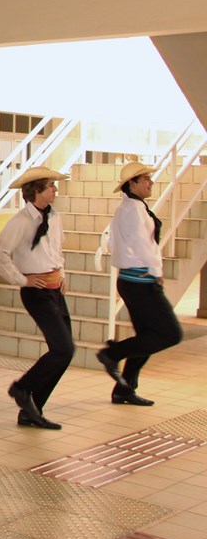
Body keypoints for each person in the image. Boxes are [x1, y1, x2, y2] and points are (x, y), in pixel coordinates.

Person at [0, 168, 72, 430]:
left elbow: (56, 248)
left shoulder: (54, 216)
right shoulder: (22, 220)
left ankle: (31, 409)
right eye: (50, 186)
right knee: (63, 348)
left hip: (54, 289)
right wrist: (22, 280)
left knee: (64, 352)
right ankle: (22, 388)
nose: (55, 190)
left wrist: (62, 274)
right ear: (35, 190)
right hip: (36, 292)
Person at [97, 162, 183, 406]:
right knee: (171, 334)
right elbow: (143, 244)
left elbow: (118, 242)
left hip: (132, 279)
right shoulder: (133, 210)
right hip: (141, 281)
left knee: (147, 336)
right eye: (145, 178)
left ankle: (124, 390)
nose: (150, 182)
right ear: (131, 184)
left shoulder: (130, 207)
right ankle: (111, 353)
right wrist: (155, 271)